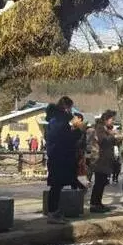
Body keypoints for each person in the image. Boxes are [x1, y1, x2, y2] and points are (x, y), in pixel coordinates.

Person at [45, 96, 78, 224]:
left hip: (58, 155)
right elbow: (64, 138)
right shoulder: (58, 120)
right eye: (70, 108)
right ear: (66, 107)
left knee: (57, 186)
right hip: (58, 155)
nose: (70, 111)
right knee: (56, 185)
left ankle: (55, 211)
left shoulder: (57, 119)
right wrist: (77, 131)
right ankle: (52, 212)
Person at [90, 110, 120, 212]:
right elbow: (103, 141)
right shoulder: (100, 128)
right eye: (112, 119)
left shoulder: (108, 129)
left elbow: (111, 141)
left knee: (103, 182)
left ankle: (98, 203)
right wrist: (113, 136)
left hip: (106, 159)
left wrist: (118, 139)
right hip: (99, 159)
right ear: (106, 119)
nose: (113, 121)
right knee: (99, 182)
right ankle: (94, 204)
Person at [71, 113, 88, 190]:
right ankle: (79, 186)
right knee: (78, 171)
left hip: (78, 153)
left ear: (80, 119)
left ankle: (81, 187)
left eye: (75, 118)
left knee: (80, 170)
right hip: (76, 152)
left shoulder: (81, 128)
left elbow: (80, 142)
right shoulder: (75, 128)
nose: (73, 120)